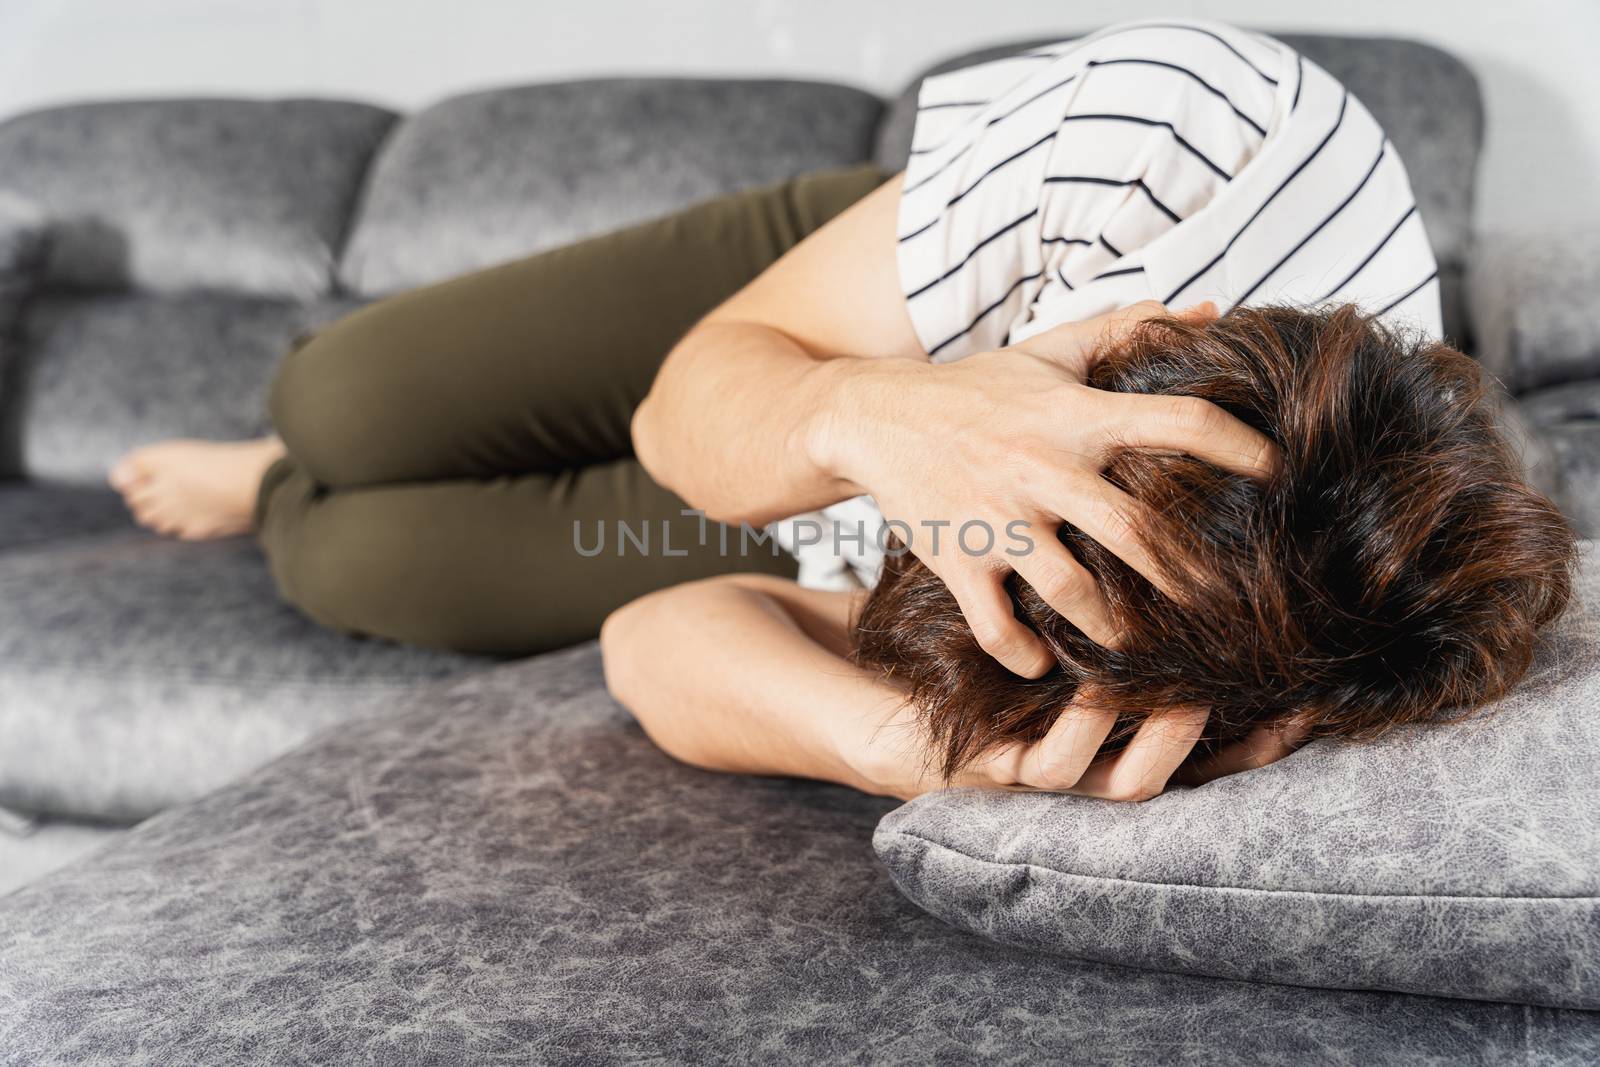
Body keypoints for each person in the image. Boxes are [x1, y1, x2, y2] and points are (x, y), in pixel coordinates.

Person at [108, 19, 1570, 801]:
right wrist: (873, 413)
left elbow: (655, 637)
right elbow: (703, 409)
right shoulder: (1204, 135)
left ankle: (277, 496)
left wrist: (921, 754)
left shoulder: (1252, 647)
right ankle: (284, 448)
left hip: (835, 510)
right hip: (831, 315)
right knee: (342, 398)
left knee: (349, 563)